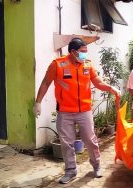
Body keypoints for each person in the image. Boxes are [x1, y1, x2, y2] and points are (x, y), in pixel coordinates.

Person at [33, 38, 120, 184]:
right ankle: (71, 171)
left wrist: (110, 88)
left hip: (84, 111)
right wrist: (38, 102)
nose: (85, 54)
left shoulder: (87, 64)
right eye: (82, 52)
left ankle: (96, 166)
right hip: (64, 112)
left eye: (85, 52)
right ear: (73, 52)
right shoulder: (58, 64)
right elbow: (46, 82)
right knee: (67, 143)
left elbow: (97, 81)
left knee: (90, 140)